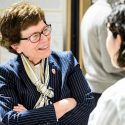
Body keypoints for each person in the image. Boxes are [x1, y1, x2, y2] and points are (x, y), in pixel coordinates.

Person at [0, 1, 95, 125]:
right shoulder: (7, 74)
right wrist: (64, 104)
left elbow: (87, 107)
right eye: (34, 36)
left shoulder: (67, 61)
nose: (45, 38)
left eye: (45, 29)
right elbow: (10, 121)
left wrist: (30, 115)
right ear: (16, 46)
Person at [80, 0, 125, 104]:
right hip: (108, 92)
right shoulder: (109, 16)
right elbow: (111, 64)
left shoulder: (91, 10)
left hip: (94, 89)